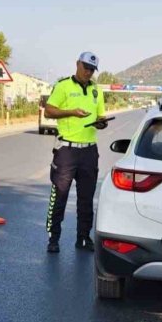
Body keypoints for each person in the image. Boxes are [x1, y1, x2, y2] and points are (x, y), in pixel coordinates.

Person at [43, 51, 108, 253]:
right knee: (60, 195)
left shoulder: (97, 91)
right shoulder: (63, 86)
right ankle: (53, 238)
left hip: (89, 151)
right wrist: (71, 112)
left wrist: (101, 123)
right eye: (86, 67)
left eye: (92, 69)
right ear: (77, 64)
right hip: (66, 151)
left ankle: (83, 238)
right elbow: (49, 111)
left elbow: (101, 116)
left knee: (86, 198)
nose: (88, 72)